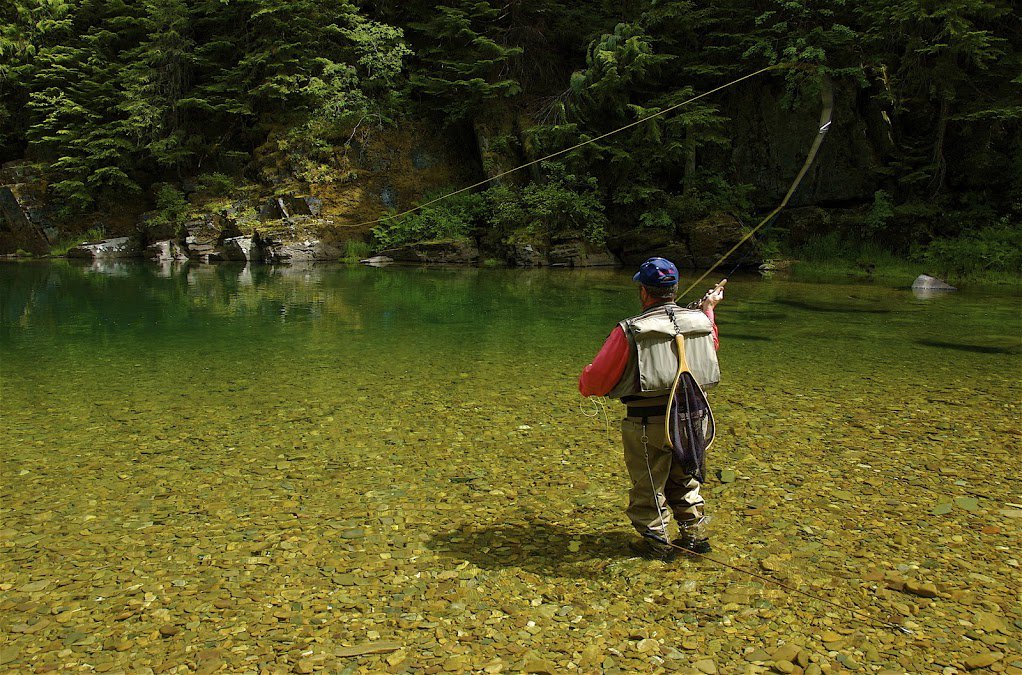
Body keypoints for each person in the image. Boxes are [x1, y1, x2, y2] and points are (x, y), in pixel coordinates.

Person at [579, 257, 724, 561]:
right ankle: (695, 538)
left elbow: (595, 382)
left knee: (648, 485)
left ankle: (657, 544)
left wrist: (586, 378)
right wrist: (708, 310)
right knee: (685, 479)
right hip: (693, 419)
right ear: (674, 288)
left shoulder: (630, 330)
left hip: (648, 424)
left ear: (644, 292)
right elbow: (711, 346)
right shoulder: (702, 321)